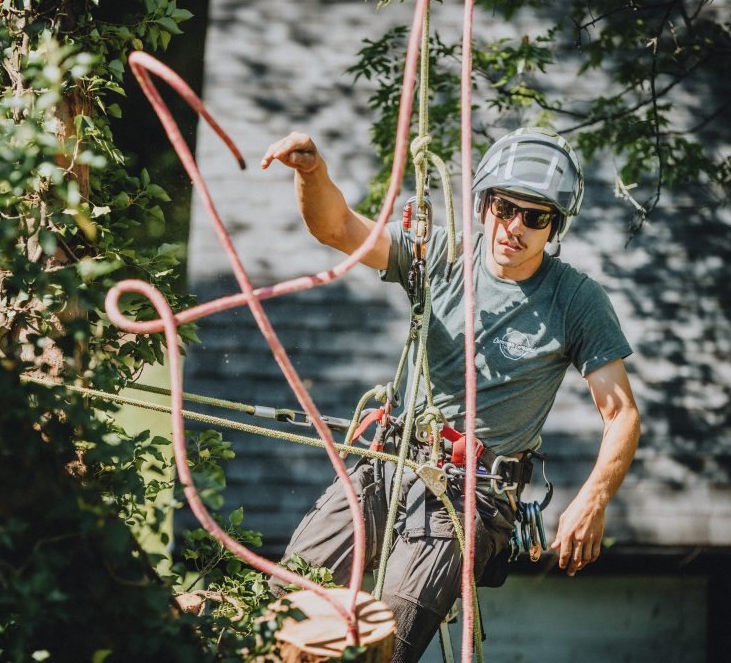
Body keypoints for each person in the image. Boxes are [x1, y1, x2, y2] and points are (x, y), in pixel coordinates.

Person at [259, 128, 641, 663]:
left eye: (536, 217)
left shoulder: (575, 300)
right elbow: (339, 228)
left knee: (384, 642)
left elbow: (621, 415)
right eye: (506, 207)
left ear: (554, 227)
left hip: (467, 496)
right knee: (283, 604)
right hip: (384, 461)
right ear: (485, 203)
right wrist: (311, 172)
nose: (515, 227)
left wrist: (593, 498)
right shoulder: (440, 255)